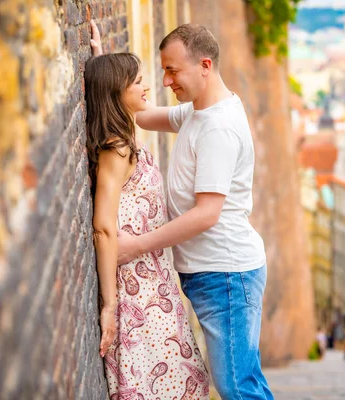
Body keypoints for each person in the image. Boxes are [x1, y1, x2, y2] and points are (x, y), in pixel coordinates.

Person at [91, 22, 273, 399]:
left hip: (227, 275)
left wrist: (137, 245)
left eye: (173, 70)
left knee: (237, 386)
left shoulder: (217, 128)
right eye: (162, 70)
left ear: (205, 65)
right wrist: (105, 73)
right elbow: (135, 113)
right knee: (240, 381)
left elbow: (207, 214)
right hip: (213, 273)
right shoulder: (196, 112)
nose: (166, 80)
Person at [85, 46, 209, 398]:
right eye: (137, 82)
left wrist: (102, 55)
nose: (146, 87)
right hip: (136, 293)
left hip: (157, 285)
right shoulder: (116, 149)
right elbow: (103, 227)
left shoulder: (127, 137)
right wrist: (110, 307)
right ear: (116, 92)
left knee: (186, 383)